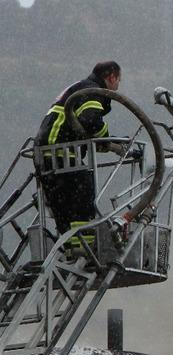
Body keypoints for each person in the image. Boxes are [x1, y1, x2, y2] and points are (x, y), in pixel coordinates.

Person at [34, 61, 129, 237]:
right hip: (60, 151)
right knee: (82, 194)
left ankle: (73, 246)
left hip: (47, 153)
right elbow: (91, 121)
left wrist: (109, 144)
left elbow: (84, 129)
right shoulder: (92, 91)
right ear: (111, 77)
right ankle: (85, 246)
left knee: (64, 206)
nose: (118, 85)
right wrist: (108, 137)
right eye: (119, 80)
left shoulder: (82, 87)